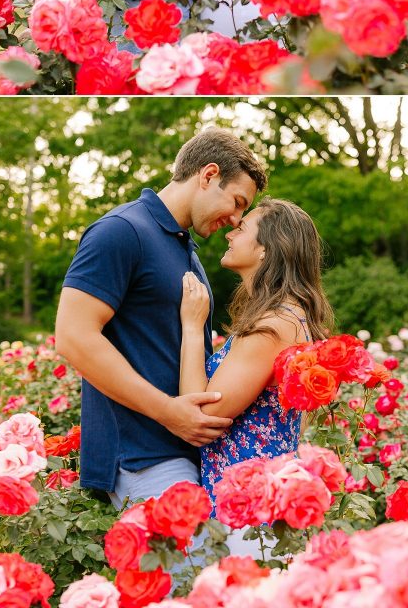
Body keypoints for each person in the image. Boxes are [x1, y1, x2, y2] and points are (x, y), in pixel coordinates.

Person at [54, 128, 268, 510]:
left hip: (184, 454)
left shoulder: (187, 250)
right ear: (208, 175)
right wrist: (168, 412)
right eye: (237, 202)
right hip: (141, 457)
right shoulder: (121, 231)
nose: (237, 219)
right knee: (202, 565)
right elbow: (73, 337)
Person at [178, 197, 334, 513]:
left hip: (248, 505)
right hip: (262, 496)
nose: (229, 234)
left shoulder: (273, 324)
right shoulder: (291, 316)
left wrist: (193, 327)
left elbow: (201, 416)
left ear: (267, 249)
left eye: (243, 228)